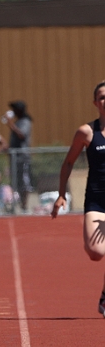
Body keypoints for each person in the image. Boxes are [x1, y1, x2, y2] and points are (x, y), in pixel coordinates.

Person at [51, 81, 105, 318]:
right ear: (95, 103)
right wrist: (62, 194)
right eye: (101, 97)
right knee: (95, 252)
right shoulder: (87, 132)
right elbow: (69, 162)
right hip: (96, 200)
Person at [2, 100, 33, 211]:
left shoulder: (25, 121)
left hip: (22, 156)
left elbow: (22, 135)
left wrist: (10, 123)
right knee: (16, 180)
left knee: (24, 181)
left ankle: (24, 204)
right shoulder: (18, 121)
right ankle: (18, 203)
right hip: (15, 157)